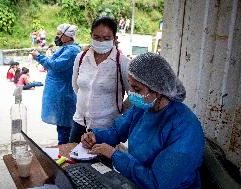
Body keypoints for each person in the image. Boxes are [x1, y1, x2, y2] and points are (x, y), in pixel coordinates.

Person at [81, 52, 205, 189]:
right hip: (136, 179)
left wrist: (115, 155)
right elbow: (117, 131)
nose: (131, 93)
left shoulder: (184, 128)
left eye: (137, 89)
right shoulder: (143, 108)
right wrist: (95, 136)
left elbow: (157, 183)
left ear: (158, 90)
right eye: (130, 86)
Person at [69, 16, 130, 143]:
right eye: (96, 37)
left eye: (106, 38)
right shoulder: (81, 58)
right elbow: (76, 86)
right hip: (79, 123)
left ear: (114, 38)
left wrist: (120, 109)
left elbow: (134, 93)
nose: (101, 42)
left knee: (101, 163)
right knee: (72, 160)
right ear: (91, 35)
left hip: (107, 128)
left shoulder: (122, 62)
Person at [31, 23, 80, 145]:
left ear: (67, 36)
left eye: (59, 34)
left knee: (65, 129)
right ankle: (64, 149)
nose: (56, 36)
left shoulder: (72, 51)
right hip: (60, 93)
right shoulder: (66, 48)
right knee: (62, 127)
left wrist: (39, 57)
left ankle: (65, 152)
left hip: (64, 95)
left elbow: (56, 66)